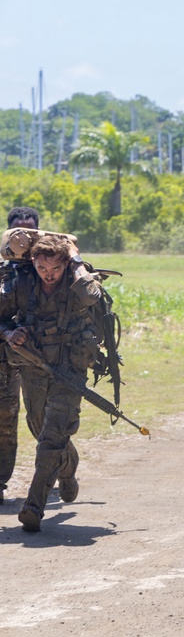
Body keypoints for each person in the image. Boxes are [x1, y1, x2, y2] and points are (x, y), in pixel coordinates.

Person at [0, 235, 103, 531]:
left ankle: (34, 506)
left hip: (70, 367)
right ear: (33, 262)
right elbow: (1, 318)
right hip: (33, 366)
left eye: (55, 268)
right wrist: (9, 334)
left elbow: (90, 296)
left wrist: (76, 262)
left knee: (52, 435)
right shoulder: (21, 282)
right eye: (43, 267)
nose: (49, 274)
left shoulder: (77, 280)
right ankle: (67, 472)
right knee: (39, 427)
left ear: (65, 265)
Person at [0, 206, 40, 504]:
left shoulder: (55, 266)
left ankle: (59, 467)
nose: (24, 238)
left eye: (30, 230)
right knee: (5, 417)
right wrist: (8, 333)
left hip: (43, 358)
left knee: (44, 418)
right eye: (19, 231)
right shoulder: (2, 272)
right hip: (6, 358)